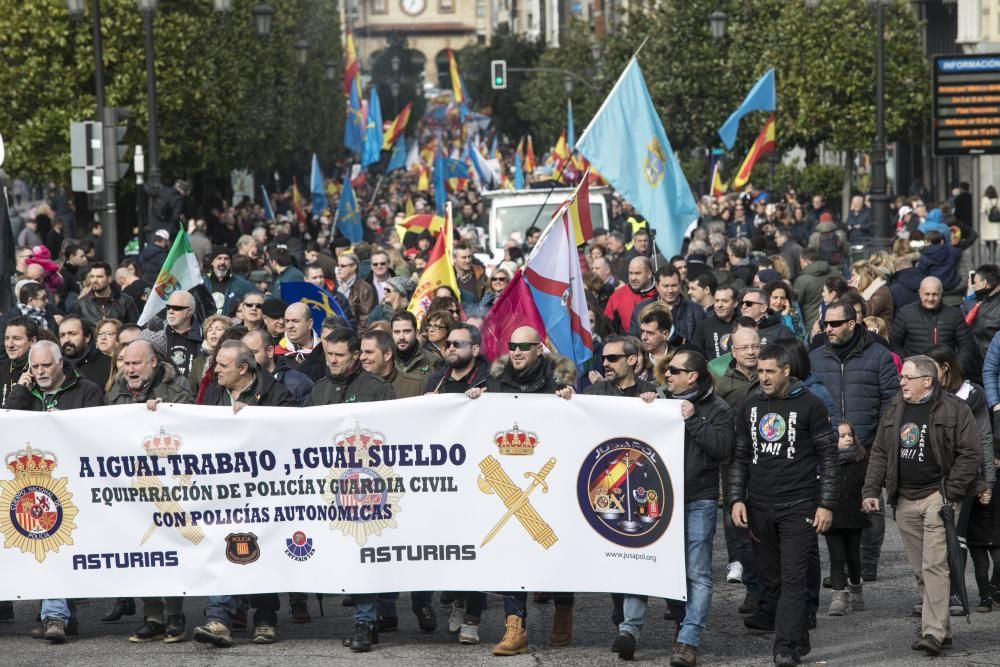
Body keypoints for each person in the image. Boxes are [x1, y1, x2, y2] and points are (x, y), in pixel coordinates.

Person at [614, 349, 731, 666]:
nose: (667, 375)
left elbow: (722, 448)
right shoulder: (659, 401)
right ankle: (628, 631)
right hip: (656, 499)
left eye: (674, 371)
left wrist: (693, 419)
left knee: (697, 574)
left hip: (697, 500)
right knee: (642, 559)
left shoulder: (717, 409)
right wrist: (648, 402)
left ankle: (687, 641)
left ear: (692, 376)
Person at [862, 355, 983, 656]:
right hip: (903, 499)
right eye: (902, 377)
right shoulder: (894, 408)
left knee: (934, 566)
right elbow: (879, 452)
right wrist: (870, 489)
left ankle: (933, 633)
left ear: (926, 381)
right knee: (920, 570)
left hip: (936, 497)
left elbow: (971, 454)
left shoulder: (955, 409)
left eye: (907, 377)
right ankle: (942, 628)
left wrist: (950, 493)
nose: (901, 381)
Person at [466, 325, 574, 656]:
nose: (516, 351)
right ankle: (515, 626)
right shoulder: (495, 381)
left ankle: (564, 608)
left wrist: (569, 399)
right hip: (507, 479)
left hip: (552, 477)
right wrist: (473, 400)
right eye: (512, 345)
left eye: (524, 346)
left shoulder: (559, 381)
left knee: (554, 547)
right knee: (512, 549)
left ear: (538, 349)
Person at [728, 343, 838, 667]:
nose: (763, 377)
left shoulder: (811, 405)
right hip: (760, 506)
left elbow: (829, 457)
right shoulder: (749, 407)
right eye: (760, 371)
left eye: (769, 371)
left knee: (793, 577)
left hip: (799, 504)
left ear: (786, 371)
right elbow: (740, 457)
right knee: (770, 579)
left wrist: (826, 503)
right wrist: (735, 498)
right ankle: (797, 633)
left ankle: (785, 647)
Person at [307, 328, 394, 652]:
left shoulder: (378, 391)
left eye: (339, 356)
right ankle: (371, 617)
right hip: (329, 488)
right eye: (329, 355)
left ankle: (365, 621)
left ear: (356, 355)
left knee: (363, 553)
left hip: (366, 487)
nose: (332, 361)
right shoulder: (319, 390)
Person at [106, 339, 192, 643]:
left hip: (168, 483)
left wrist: (163, 414)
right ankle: (152, 615)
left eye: (136, 363)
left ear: (153, 363)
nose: (130, 369)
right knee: (141, 549)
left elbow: (191, 427)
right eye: (126, 363)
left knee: (169, 548)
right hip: (132, 486)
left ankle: (175, 615)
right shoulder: (115, 391)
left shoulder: (177, 389)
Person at [810, 299, 899, 581]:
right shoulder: (816, 356)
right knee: (831, 503)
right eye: (825, 323)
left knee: (869, 503)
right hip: (828, 444)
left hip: (869, 443)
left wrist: (879, 438)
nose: (828, 328)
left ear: (852, 323)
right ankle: (841, 565)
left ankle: (866, 563)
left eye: (835, 323)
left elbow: (891, 400)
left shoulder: (878, 355)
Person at [890, 277, 978, 378]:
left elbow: (967, 346)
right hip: (915, 375)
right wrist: (908, 364)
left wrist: (956, 369)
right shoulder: (905, 313)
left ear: (941, 293)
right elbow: (895, 344)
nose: (931, 298)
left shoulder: (954, 315)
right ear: (920, 293)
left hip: (946, 374)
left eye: (935, 294)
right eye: (927, 294)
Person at [825, 422, 869, 616]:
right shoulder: (825, 461)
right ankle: (838, 597)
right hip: (832, 516)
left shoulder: (862, 459)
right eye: (842, 436)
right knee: (836, 557)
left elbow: (870, 484)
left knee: (853, 557)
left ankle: (856, 590)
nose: (848, 439)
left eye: (850, 434)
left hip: (854, 515)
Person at [628, 265, 704, 344]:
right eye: (666, 286)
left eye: (674, 285)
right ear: (657, 286)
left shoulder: (696, 311)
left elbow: (700, 344)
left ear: (680, 284)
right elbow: (634, 342)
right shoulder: (640, 310)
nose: (670, 290)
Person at [242, 328, 314, 406]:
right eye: (244, 354)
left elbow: (307, 416)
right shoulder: (239, 381)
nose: (247, 358)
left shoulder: (299, 383)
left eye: (253, 352)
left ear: (270, 351)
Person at [72, 262, 140, 326]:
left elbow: (134, 329)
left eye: (99, 277)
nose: (95, 280)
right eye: (92, 276)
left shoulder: (126, 301)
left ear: (109, 279)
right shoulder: (81, 305)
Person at [604, 256, 657, 333]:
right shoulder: (618, 296)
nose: (633, 278)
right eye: (630, 273)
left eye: (637, 273)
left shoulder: (663, 292)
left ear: (649, 274)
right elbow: (607, 328)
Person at [58, 315, 112, 387]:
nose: (66, 340)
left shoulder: (109, 365)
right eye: (62, 335)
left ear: (87, 337)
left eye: (72, 334)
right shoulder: (56, 367)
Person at [691, 285, 738, 360]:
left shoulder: (743, 324)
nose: (719, 305)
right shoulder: (704, 325)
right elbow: (695, 355)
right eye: (716, 301)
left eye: (725, 301)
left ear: (735, 303)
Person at [164, 290, 203, 377]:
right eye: (168, 307)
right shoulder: (158, 334)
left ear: (189, 312)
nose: (170, 311)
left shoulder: (204, 335)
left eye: (176, 308)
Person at [205, 246, 254, 315]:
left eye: (226, 259)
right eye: (219, 258)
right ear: (212, 262)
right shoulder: (202, 284)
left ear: (230, 263)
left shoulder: (242, 285)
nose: (222, 262)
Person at [392, 311, 440, 377]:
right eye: (397, 332)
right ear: (392, 333)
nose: (401, 337)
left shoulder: (434, 362)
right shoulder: (384, 361)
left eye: (407, 331)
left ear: (416, 332)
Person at [335, 253, 376, 324]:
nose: (339, 269)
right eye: (338, 265)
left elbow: (365, 318)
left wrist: (358, 335)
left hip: (354, 331)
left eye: (343, 266)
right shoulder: (335, 285)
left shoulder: (364, 288)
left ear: (354, 267)